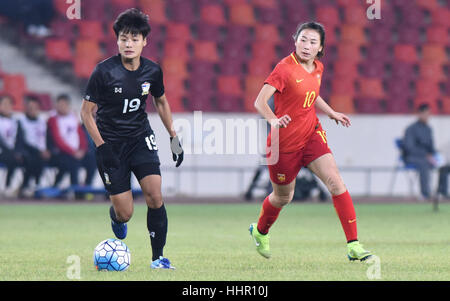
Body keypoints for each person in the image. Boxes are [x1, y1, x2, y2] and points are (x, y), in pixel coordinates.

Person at [249, 22, 373, 261]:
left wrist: (331, 112)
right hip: (283, 143)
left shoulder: (318, 67)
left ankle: (353, 245)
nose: (306, 46)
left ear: (320, 48)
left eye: (312, 42)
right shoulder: (284, 69)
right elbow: (259, 102)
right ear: (295, 40)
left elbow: (311, 93)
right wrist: (273, 120)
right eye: (303, 40)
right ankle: (261, 231)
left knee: (335, 182)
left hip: (311, 134)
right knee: (283, 197)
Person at [80, 8, 183, 270]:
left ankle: (158, 258)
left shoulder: (152, 71)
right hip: (111, 145)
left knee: (154, 195)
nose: (129, 44)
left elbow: (160, 101)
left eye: (134, 39)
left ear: (144, 42)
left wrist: (173, 136)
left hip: (140, 138)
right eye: (124, 38)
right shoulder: (103, 72)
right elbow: (86, 113)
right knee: (126, 213)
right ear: (117, 41)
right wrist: (101, 147)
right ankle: (116, 217)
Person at [47, 94, 87, 189]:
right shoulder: (53, 119)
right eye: (60, 105)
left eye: (64, 105)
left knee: (93, 160)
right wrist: (73, 152)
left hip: (76, 152)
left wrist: (83, 150)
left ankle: (87, 185)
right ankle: (76, 189)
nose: (62, 107)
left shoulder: (73, 117)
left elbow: (81, 135)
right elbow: (57, 139)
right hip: (61, 153)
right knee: (70, 162)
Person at [18, 95, 51, 197]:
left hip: (42, 151)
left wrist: (48, 150)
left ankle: (42, 185)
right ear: (26, 108)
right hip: (28, 151)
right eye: (30, 108)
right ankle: (28, 185)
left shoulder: (42, 122)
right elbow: (21, 141)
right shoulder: (21, 121)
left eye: (35, 108)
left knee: (65, 159)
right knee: (32, 158)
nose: (33, 110)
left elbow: (48, 139)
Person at [403, 103, 437, 200]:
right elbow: (409, 148)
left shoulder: (428, 129)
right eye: (426, 114)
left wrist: (434, 155)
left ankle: (442, 192)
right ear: (419, 114)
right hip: (412, 157)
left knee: (445, 163)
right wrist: (426, 155)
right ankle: (425, 194)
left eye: (429, 114)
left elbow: (431, 147)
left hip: (428, 157)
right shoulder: (411, 129)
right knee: (424, 163)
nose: (428, 117)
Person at [0, 94, 24, 197]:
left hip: (12, 152)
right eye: (4, 104)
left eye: (9, 104)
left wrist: (18, 151)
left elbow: (20, 138)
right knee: (12, 158)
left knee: (29, 159)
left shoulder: (16, 121)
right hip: (2, 152)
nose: (6, 107)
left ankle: (25, 186)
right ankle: (7, 185)